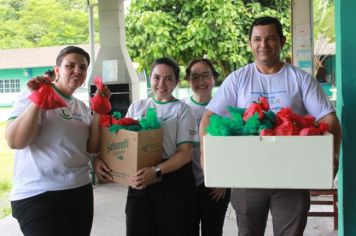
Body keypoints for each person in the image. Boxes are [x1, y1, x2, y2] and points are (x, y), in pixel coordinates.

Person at [199, 16, 342, 236]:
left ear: (282, 41)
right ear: (250, 44)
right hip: (247, 175)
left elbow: (329, 119)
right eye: (257, 39)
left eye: (270, 39)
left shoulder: (300, 79)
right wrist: (206, 157)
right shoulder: (238, 79)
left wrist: (331, 158)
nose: (263, 45)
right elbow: (209, 118)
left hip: (292, 176)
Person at [5, 46, 103, 236]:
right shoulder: (32, 92)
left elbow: (91, 148)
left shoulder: (81, 107)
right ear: (57, 70)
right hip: (39, 194)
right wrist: (38, 100)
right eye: (70, 65)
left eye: (82, 68)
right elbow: (15, 141)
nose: (77, 71)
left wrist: (98, 112)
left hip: (79, 190)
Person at [94, 57, 197, 236]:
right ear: (150, 78)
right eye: (157, 77)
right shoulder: (138, 106)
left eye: (168, 78)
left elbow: (185, 153)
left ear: (177, 82)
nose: (161, 83)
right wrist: (104, 161)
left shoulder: (182, 110)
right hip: (140, 180)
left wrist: (156, 171)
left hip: (171, 179)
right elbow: (122, 142)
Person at [182, 58, 230, 236]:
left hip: (215, 185)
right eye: (195, 77)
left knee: (213, 231)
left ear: (214, 78)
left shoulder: (225, 108)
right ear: (188, 80)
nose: (201, 82)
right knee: (188, 229)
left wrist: (223, 180)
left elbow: (232, 149)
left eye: (206, 76)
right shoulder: (182, 107)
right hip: (187, 183)